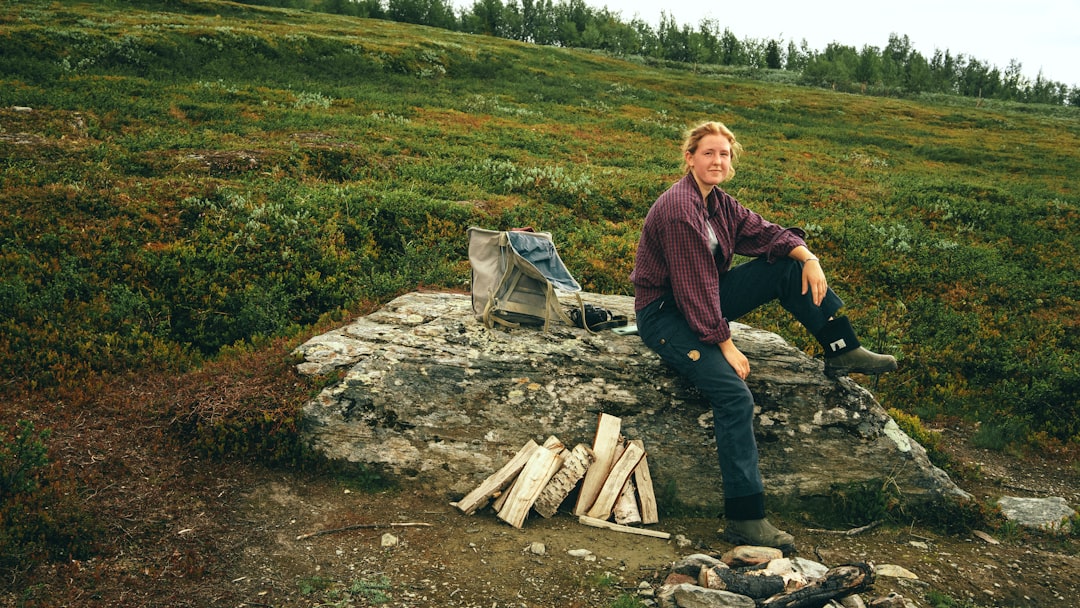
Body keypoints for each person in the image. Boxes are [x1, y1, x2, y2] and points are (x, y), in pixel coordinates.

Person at [630, 121, 896, 554]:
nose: (718, 161)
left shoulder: (717, 202)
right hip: (665, 316)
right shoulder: (680, 209)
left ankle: (842, 349)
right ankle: (745, 518)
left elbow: (765, 232)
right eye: (709, 153)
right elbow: (694, 289)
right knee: (735, 396)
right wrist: (724, 343)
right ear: (690, 158)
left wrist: (808, 257)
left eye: (725, 155)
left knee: (786, 265)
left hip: (701, 299)